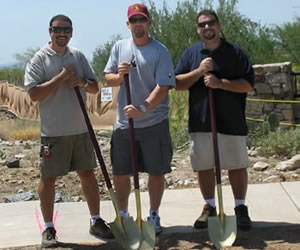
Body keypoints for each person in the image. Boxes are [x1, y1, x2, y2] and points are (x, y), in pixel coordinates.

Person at [24, 14, 113, 248]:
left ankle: (96, 220)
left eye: (66, 29)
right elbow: (34, 95)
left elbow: (94, 87)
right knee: (49, 179)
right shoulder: (39, 59)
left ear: (71, 32)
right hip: (53, 133)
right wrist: (61, 78)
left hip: (81, 130)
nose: (61, 33)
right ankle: (49, 228)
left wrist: (81, 82)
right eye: (57, 29)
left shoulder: (78, 56)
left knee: (88, 174)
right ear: (50, 31)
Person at [175, 9, 254, 231]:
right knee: (204, 166)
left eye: (210, 23)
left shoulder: (235, 53)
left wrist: (221, 84)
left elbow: (248, 84)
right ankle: (209, 207)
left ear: (218, 25)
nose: (207, 27)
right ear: (197, 29)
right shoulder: (191, 54)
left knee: (237, 165)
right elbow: (178, 83)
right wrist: (199, 72)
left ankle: (240, 208)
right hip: (201, 121)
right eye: (202, 25)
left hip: (231, 120)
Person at [104, 3, 175, 235]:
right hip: (124, 124)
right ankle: (123, 214)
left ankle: (153, 215)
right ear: (128, 24)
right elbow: (109, 79)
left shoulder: (160, 51)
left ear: (149, 22)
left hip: (154, 122)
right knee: (121, 171)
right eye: (133, 20)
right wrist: (119, 75)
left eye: (141, 19)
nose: (138, 24)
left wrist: (143, 108)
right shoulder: (119, 47)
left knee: (156, 171)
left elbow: (163, 86)